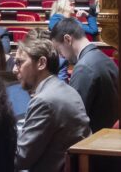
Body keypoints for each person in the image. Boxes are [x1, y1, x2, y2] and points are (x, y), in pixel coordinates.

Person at [13, 34, 89, 172]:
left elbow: (20, 160)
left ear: (41, 63)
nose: (14, 69)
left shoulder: (43, 101)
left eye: (19, 62)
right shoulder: (68, 90)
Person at [50, 17, 118, 132]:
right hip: (109, 136)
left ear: (67, 39)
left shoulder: (84, 68)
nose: (62, 56)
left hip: (93, 142)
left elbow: (72, 118)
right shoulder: (105, 59)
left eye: (59, 50)